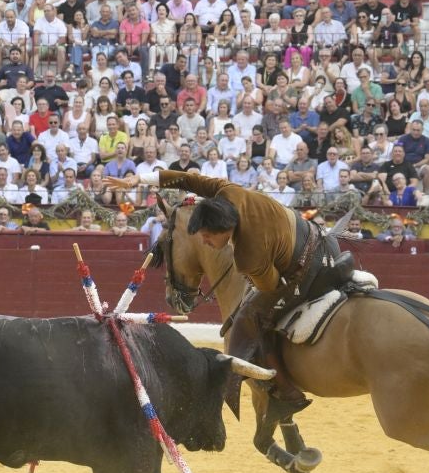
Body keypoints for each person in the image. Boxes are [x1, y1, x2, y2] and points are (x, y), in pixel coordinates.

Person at [157, 166, 377, 400]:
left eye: (207, 236)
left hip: (307, 271)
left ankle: (284, 391)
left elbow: (270, 285)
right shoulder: (232, 193)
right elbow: (193, 180)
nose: (205, 242)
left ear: (221, 229)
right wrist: (146, 179)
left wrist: (252, 281)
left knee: (249, 316)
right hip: (325, 241)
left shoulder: (246, 257)